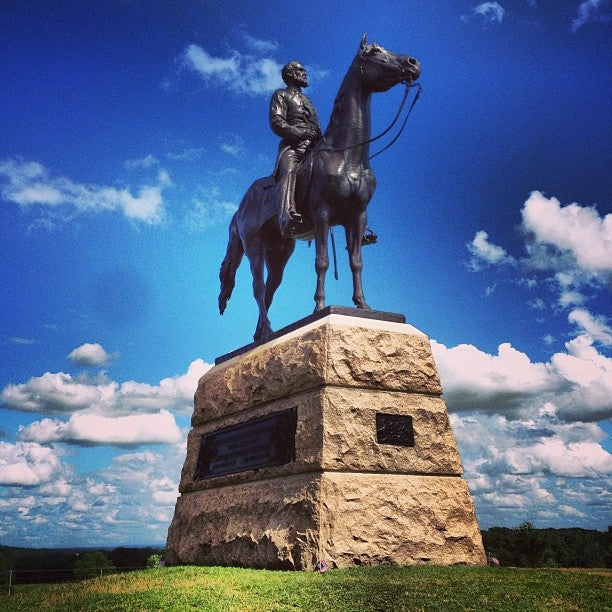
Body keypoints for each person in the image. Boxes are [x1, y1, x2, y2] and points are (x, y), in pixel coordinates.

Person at [270, 61, 322, 237]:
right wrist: (299, 133)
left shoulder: (308, 100)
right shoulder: (281, 95)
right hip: (294, 147)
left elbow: (316, 126)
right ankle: (286, 217)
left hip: (315, 146)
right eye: (300, 70)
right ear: (290, 74)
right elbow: (277, 121)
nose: (305, 73)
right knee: (289, 171)